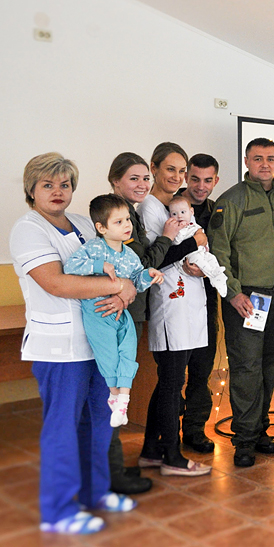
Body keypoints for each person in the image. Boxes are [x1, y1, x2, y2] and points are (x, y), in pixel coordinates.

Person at [11, 152, 138, 534]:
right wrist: (119, 285)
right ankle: (59, 511)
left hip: (99, 345)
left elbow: (123, 269)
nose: (58, 191)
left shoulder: (85, 224)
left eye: (64, 184)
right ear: (31, 189)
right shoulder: (28, 229)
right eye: (47, 184)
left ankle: (94, 493)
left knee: (98, 423)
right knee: (63, 428)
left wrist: (126, 293)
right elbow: (56, 282)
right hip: (59, 348)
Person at [209, 137, 274, 467]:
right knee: (246, 367)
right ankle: (244, 440)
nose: (265, 164)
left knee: (271, 364)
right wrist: (233, 293)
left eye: (270, 158)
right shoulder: (232, 200)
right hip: (246, 298)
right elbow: (218, 251)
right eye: (258, 158)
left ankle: (260, 430)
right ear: (246, 161)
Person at [107, 151, 188, 494]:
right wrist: (169, 237)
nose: (142, 184)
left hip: (132, 309)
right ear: (115, 181)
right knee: (113, 391)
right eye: (134, 178)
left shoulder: (133, 213)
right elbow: (143, 264)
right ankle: (110, 473)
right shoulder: (118, 214)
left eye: (144, 178)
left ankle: (116, 467)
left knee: (120, 389)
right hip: (119, 310)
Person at [137, 142, 211, 477]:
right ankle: (172, 456)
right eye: (171, 169)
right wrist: (194, 243)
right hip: (170, 305)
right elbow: (157, 258)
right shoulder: (150, 208)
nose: (177, 177)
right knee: (171, 382)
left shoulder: (172, 206)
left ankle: (151, 450)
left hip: (186, 302)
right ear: (154, 168)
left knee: (169, 380)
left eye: (182, 171)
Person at [64, 194, 163, 427]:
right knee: (109, 356)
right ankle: (115, 397)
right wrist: (100, 265)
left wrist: (149, 275)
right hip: (98, 311)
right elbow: (70, 267)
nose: (127, 225)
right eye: (118, 222)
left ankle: (122, 401)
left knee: (128, 351)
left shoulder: (130, 254)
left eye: (127, 219)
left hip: (122, 313)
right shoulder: (93, 248)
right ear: (102, 228)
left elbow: (136, 282)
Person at [175, 153, 221, 454]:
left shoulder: (219, 211)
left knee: (201, 371)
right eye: (194, 179)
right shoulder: (171, 206)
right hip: (175, 301)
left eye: (207, 180)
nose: (200, 186)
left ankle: (194, 429)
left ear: (216, 180)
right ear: (185, 177)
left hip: (207, 301)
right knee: (173, 375)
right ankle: (168, 430)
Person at [167, 195, 228, 297]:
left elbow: (203, 238)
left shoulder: (194, 225)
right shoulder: (176, 228)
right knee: (199, 260)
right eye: (174, 214)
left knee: (211, 258)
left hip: (200, 251)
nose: (179, 216)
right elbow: (176, 242)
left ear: (191, 212)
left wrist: (206, 248)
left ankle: (219, 277)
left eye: (183, 212)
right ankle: (212, 275)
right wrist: (180, 230)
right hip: (188, 256)